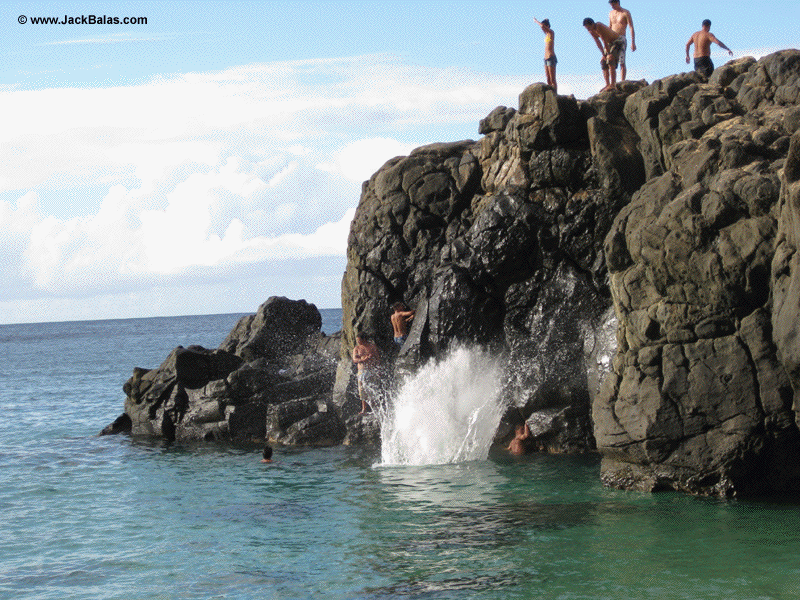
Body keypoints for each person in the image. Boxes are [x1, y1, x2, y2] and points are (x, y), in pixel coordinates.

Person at [583, 17, 625, 91]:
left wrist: (608, 54)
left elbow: (604, 40)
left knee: (610, 59)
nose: (588, 30)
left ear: (592, 24)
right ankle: (607, 84)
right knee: (603, 61)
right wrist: (603, 54)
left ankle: (613, 84)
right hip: (609, 44)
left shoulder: (598, 26)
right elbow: (598, 42)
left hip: (617, 41)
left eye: (589, 27)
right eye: (587, 29)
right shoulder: (591, 31)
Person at [352, 331, 381, 414]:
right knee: (362, 390)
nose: (358, 342)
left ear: (364, 339)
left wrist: (378, 369)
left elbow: (378, 358)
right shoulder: (357, 348)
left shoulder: (372, 346)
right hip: (361, 371)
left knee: (372, 389)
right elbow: (354, 360)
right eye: (357, 340)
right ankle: (364, 409)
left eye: (359, 340)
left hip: (371, 370)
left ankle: (375, 409)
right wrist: (363, 360)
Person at [608, 0, 636, 81]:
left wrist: (633, 42)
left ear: (617, 3)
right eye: (611, 5)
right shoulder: (611, 13)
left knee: (622, 61)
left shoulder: (625, 13)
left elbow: (631, 27)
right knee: (610, 60)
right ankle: (612, 82)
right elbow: (610, 26)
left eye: (613, 5)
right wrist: (606, 39)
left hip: (621, 38)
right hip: (611, 38)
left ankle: (622, 81)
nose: (612, 6)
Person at [533, 17, 557, 93]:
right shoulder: (546, 35)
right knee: (548, 79)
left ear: (547, 26)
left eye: (543, 27)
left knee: (552, 79)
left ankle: (555, 94)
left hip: (551, 57)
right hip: (545, 58)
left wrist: (536, 21)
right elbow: (542, 27)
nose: (542, 29)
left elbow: (542, 26)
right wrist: (545, 21)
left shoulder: (551, 33)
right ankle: (550, 94)